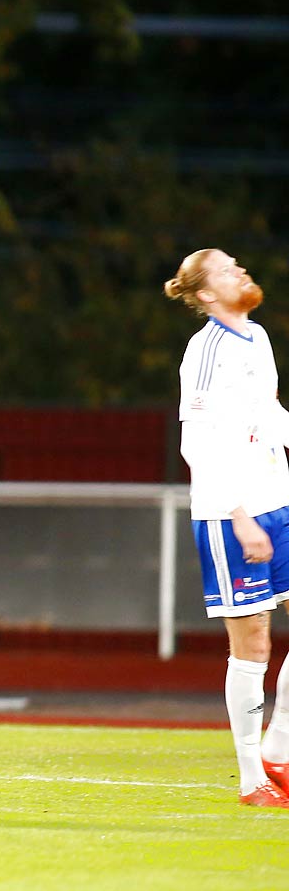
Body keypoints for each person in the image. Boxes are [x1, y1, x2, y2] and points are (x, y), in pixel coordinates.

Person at [165, 249, 289, 808]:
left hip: (278, 501)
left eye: (240, 263)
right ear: (208, 295)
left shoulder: (256, 337)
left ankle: (279, 751)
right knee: (254, 641)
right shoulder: (206, 349)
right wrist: (240, 516)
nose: (241, 270)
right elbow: (198, 440)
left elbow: (269, 413)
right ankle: (251, 778)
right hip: (229, 514)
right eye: (227, 270)